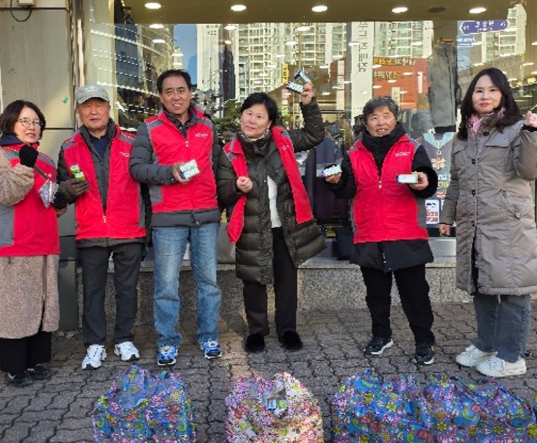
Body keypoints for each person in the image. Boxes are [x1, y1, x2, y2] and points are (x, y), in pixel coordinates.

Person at [439, 67, 537, 377]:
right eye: (479, 90)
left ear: (503, 95)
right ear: (470, 97)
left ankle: (512, 357)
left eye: (492, 90)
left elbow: (530, 171)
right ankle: (487, 343)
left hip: (508, 224)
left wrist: (531, 133)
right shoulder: (463, 136)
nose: (485, 96)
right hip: (474, 223)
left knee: (513, 290)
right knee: (481, 285)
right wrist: (446, 216)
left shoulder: (517, 128)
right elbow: (456, 181)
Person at [325, 96, 439, 365]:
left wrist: (423, 182)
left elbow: (427, 180)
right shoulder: (354, 153)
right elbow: (348, 190)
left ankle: (424, 340)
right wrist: (336, 182)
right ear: (365, 122)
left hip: (406, 232)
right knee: (376, 294)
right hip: (369, 232)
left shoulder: (412, 148)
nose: (380, 123)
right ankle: (381, 335)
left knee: (415, 294)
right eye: (374, 118)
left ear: (395, 119)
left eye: (386, 116)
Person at [217, 84, 326, 353]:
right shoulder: (229, 152)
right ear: (241, 116)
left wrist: (308, 105)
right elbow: (222, 192)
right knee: (253, 282)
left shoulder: (283, 140)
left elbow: (314, 135)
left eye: (259, 116)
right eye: (248, 114)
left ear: (269, 122)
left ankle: (287, 330)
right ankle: (257, 331)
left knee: (286, 281)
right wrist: (236, 187)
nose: (252, 120)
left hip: (285, 226)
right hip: (251, 227)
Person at [130, 69, 222, 366]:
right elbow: (136, 168)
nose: (176, 96)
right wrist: (168, 172)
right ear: (160, 96)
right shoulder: (149, 128)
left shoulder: (207, 125)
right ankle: (168, 341)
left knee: (208, 282)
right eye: (168, 91)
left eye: (181, 90)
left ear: (190, 92)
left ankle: (209, 336)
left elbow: (218, 166)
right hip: (168, 216)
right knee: (166, 285)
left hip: (205, 214)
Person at [57, 85, 149, 370]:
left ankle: (124, 339)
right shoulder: (68, 148)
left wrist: (148, 229)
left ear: (109, 109)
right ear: (78, 111)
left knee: (127, 289)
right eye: (87, 106)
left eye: (99, 105)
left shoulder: (132, 142)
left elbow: (147, 189)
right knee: (92, 291)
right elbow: (60, 194)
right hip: (90, 230)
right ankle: (94, 344)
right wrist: (66, 189)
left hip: (129, 230)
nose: (93, 111)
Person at [0, 100, 66, 386]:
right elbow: (6, 193)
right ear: (10, 123)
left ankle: (35, 362)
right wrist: (24, 166)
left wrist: (60, 201)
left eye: (36, 122)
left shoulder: (47, 161)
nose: (32, 127)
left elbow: (47, 200)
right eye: (25, 121)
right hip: (14, 245)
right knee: (15, 308)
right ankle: (14, 368)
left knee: (42, 306)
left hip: (46, 243)